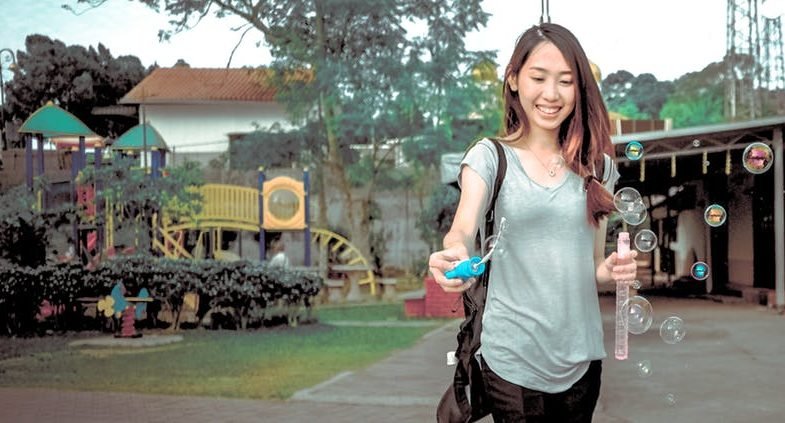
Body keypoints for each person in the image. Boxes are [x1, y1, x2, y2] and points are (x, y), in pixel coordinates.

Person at [428, 23, 638, 422]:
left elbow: (592, 263)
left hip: (581, 356)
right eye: (538, 78)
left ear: (580, 88)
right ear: (513, 80)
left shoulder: (599, 168)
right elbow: (462, 230)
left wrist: (610, 270)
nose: (551, 94)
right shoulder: (490, 157)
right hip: (511, 356)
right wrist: (454, 253)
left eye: (565, 81)